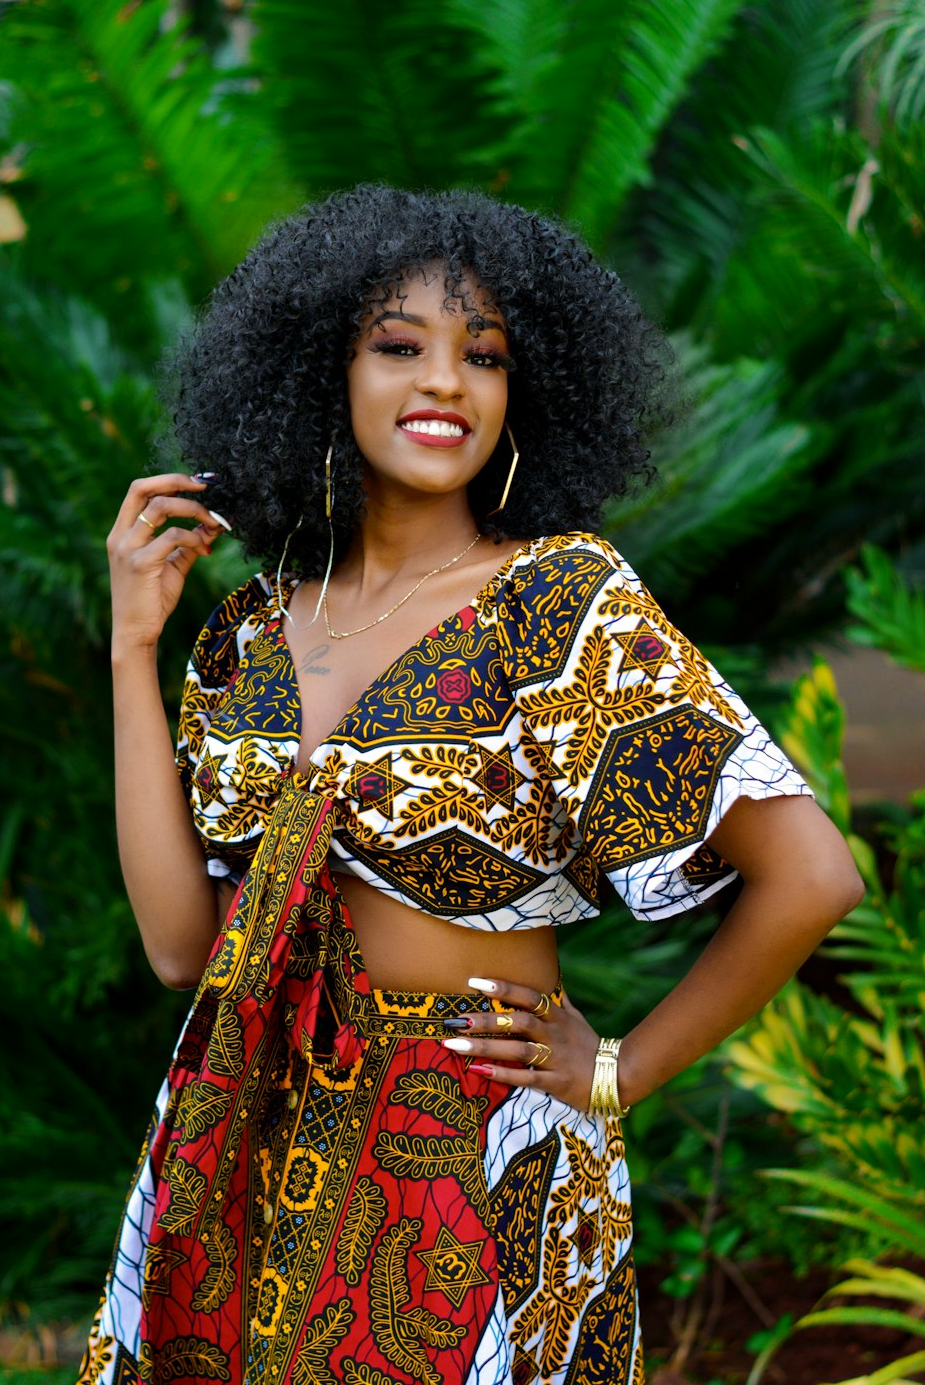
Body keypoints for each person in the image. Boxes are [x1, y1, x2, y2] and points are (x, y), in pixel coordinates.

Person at [79, 185, 863, 1385]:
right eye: (400, 345)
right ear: (319, 369)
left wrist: (618, 1069)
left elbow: (812, 872)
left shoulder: (559, 600)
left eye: (482, 355)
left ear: (524, 390)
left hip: (467, 1150)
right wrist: (137, 647)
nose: (445, 380)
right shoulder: (244, 628)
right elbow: (185, 949)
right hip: (239, 1127)